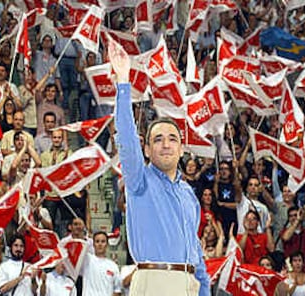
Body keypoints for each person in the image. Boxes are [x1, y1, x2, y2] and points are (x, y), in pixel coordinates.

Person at [110, 40, 210, 296]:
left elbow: (196, 253)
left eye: (172, 139)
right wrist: (123, 80)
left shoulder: (189, 194)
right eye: (157, 139)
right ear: (146, 150)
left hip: (189, 284)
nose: (165, 145)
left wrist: (204, 289)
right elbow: (127, 139)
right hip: (154, 281)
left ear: (182, 149)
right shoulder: (138, 180)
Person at [81, 232, 122, 296]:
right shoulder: (86, 259)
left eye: (103, 241)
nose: (100, 244)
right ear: (93, 244)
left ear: (107, 244)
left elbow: (117, 290)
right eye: (97, 241)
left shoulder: (113, 266)